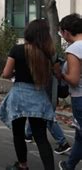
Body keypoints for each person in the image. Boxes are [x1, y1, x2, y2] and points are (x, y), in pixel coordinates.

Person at [0, 19, 57, 170]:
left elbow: (6, 73)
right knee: (41, 137)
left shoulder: (17, 50)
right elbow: (57, 73)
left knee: (18, 134)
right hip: (39, 96)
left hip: (19, 97)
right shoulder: (49, 53)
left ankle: (22, 165)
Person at [58, 13, 82, 170]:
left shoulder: (74, 48)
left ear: (66, 31)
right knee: (80, 136)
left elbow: (73, 79)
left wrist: (60, 74)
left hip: (80, 97)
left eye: (61, 33)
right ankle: (69, 165)